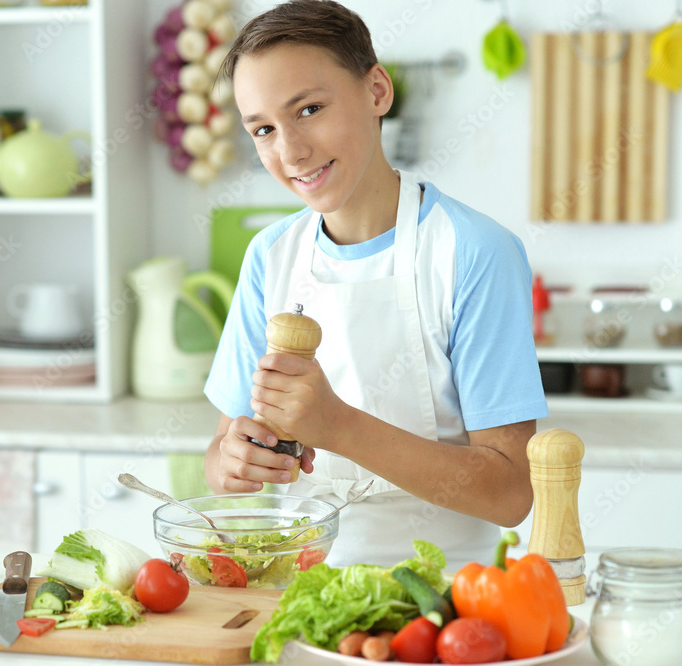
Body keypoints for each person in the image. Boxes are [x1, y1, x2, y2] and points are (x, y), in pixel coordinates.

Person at [202, 0, 549, 567]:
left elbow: (511, 493)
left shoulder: (473, 252)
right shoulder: (270, 255)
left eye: (309, 109)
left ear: (377, 91)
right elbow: (219, 455)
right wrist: (234, 462)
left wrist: (337, 427)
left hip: (443, 604)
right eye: (263, 129)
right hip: (300, 592)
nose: (290, 151)